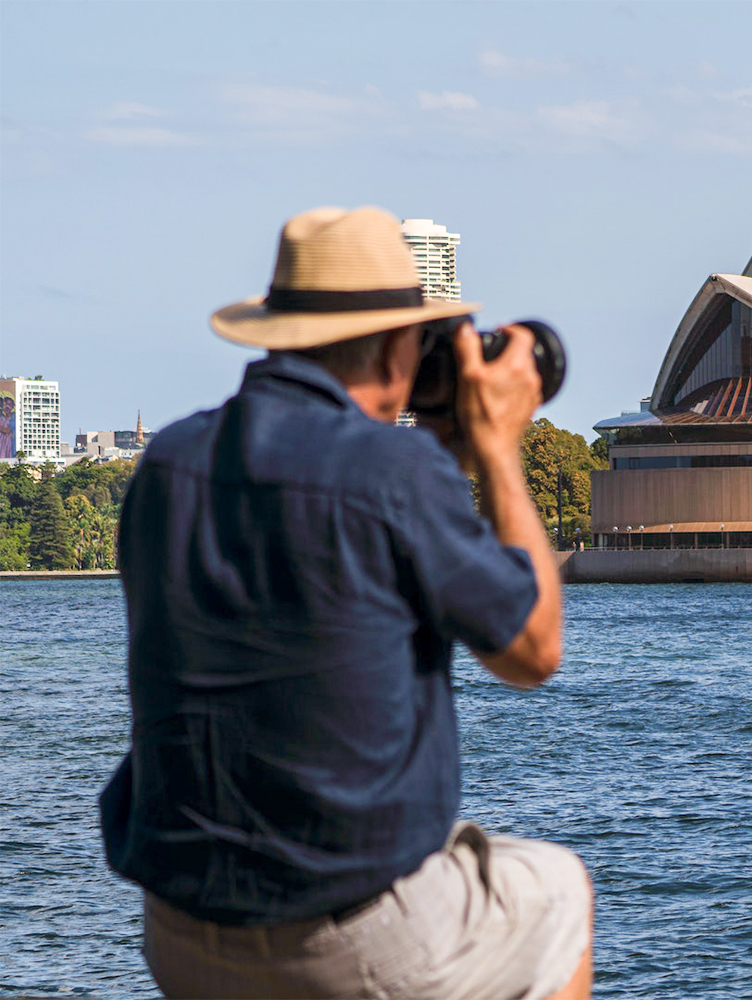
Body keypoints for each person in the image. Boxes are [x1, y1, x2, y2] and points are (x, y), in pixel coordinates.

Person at [99, 207, 591, 998]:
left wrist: (432, 450)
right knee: (559, 888)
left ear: (278, 333)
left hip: (182, 925)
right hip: (348, 936)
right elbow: (533, 649)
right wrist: (496, 449)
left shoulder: (169, 463)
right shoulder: (393, 473)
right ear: (402, 343)